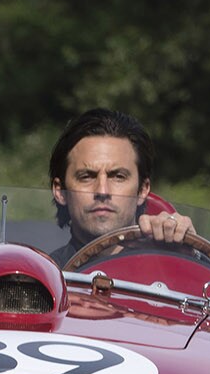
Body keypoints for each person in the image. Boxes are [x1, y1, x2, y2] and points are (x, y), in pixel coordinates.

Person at [47, 108, 195, 268]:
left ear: (143, 190)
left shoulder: (171, 268)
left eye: (118, 176)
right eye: (86, 177)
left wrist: (190, 258)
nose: (102, 191)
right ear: (60, 191)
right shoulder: (44, 282)